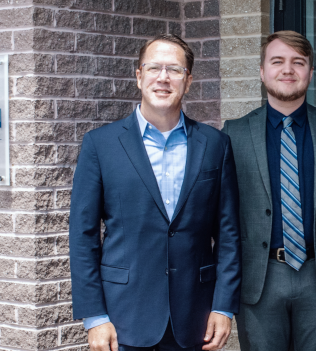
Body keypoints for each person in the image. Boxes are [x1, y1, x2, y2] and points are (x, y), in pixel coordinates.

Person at [69, 34, 241, 351]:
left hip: (195, 318)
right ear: (139, 76)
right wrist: (94, 316)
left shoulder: (215, 145)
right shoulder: (100, 145)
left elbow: (229, 233)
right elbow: (83, 236)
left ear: (188, 81)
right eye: (154, 68)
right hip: (123, 318)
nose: (163, 77)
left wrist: (222, 306)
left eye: (174, 70)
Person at [221, 30, 316, 351]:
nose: (288, 69)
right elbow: (221, 218)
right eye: (277, 61)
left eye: (298, 62)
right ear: (262, 71)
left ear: (310, 70)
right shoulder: (233, 134)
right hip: (259, 280)